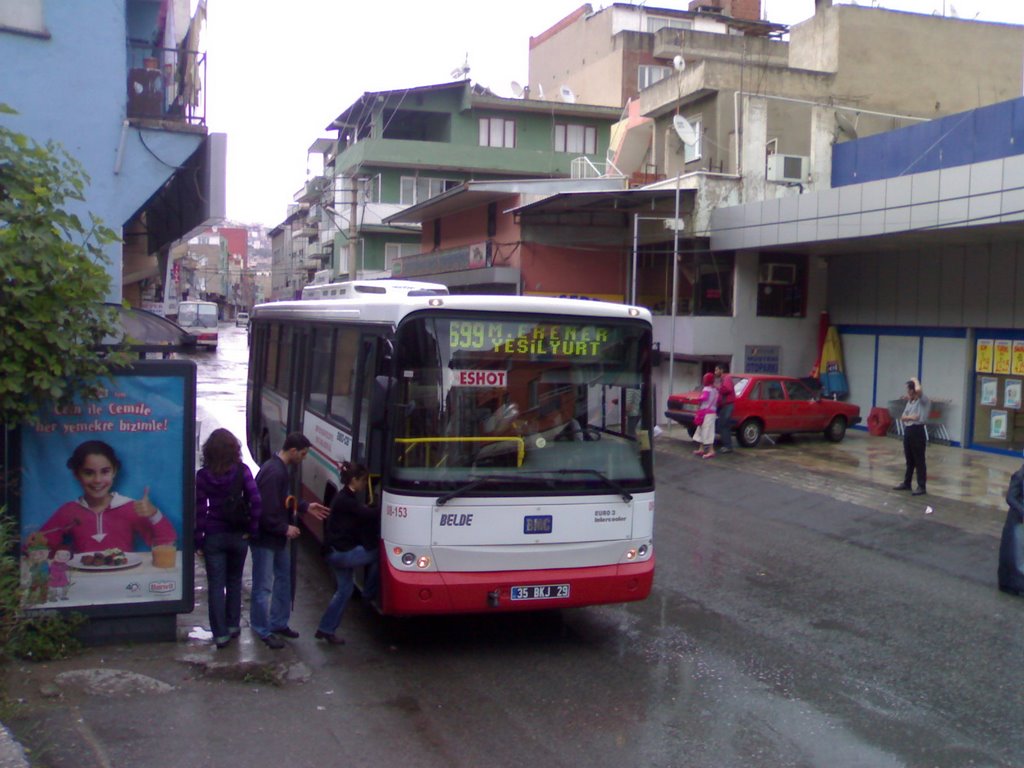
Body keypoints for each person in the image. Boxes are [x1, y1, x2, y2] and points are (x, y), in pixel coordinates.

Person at [250, 432, 329, 650]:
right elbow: (266, 511)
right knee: (264, 586)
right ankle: (262, 628)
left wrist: (304, 507)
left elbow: (282, 500)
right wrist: (285, 528)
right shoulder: (275, 473)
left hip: (274, 538)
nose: (303, 458)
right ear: (293, 451)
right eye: (302, 454)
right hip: (266, 539)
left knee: (283, 579)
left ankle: (278, 623)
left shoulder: (278, 469)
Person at [37, 440, 177, 556]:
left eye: (105, 472)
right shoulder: (69, 511)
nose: (98, 480)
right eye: (88, 473)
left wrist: (154, 513)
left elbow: (167, 542)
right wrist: (47, 547)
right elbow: (41, 548)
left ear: (114, 471)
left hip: (125, 581)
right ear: (76, 474)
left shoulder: (130, 507)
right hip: (83, 584)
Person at [195, 428, 261, 650]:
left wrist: (199, 541)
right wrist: (251, 530)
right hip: (237, 536)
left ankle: (220, 635)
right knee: (235, 582)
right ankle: (233, 626)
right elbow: (256, 501)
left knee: (216, 585)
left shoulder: (203, 476)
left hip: (213, 536)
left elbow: (200, 511)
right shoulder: (242, 472)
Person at [315, 461, 380, 645]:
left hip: (333, 551)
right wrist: (384, 508)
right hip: (341, 553)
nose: (363, 485)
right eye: (362, 481)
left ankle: (326, 629)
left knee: (344, 590)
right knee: (380, 555)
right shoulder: (347, 500)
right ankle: (368, 593)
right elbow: (365, 515)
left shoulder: (343, 496)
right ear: (354, 480)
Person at [893, 377, 930, 496]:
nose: (907, 392)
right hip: (908, 430)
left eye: (909, 389)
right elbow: (903, 417)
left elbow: (919, 391)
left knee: (919, 459)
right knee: (909, 459)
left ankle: (921, 486)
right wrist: (910, 417)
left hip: (917, 430)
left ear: (913, 390)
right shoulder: (910, 402)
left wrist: (915, 381)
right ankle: (907, 482)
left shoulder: (922, 401)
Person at [998, 457, 1024, 597]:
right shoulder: (1019, 475)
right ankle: (1008, 582)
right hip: (1016, 521)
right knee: (1013, 553)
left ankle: (1017, 582)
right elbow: (1010, 497)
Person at [692, 372, 719, 459]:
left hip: (706, 413)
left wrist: (694, 398)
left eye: (704, 378)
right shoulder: (715, 390)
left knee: (706, 431)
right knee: (704, 430)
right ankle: (701, 448)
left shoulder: (706, 389)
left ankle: (711, 451)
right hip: (711, 412)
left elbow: (704, 398)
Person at [714, 365, 736, 453]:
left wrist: (717, 388)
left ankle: (728, 446)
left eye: (716, 370)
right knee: (721, 424)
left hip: (727, 405)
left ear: (721, 370)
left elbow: (727, 389)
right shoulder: (724, 379)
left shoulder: (726, 378)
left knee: (724, 425)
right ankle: (725, 444)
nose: (715, 372)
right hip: (723, 405)